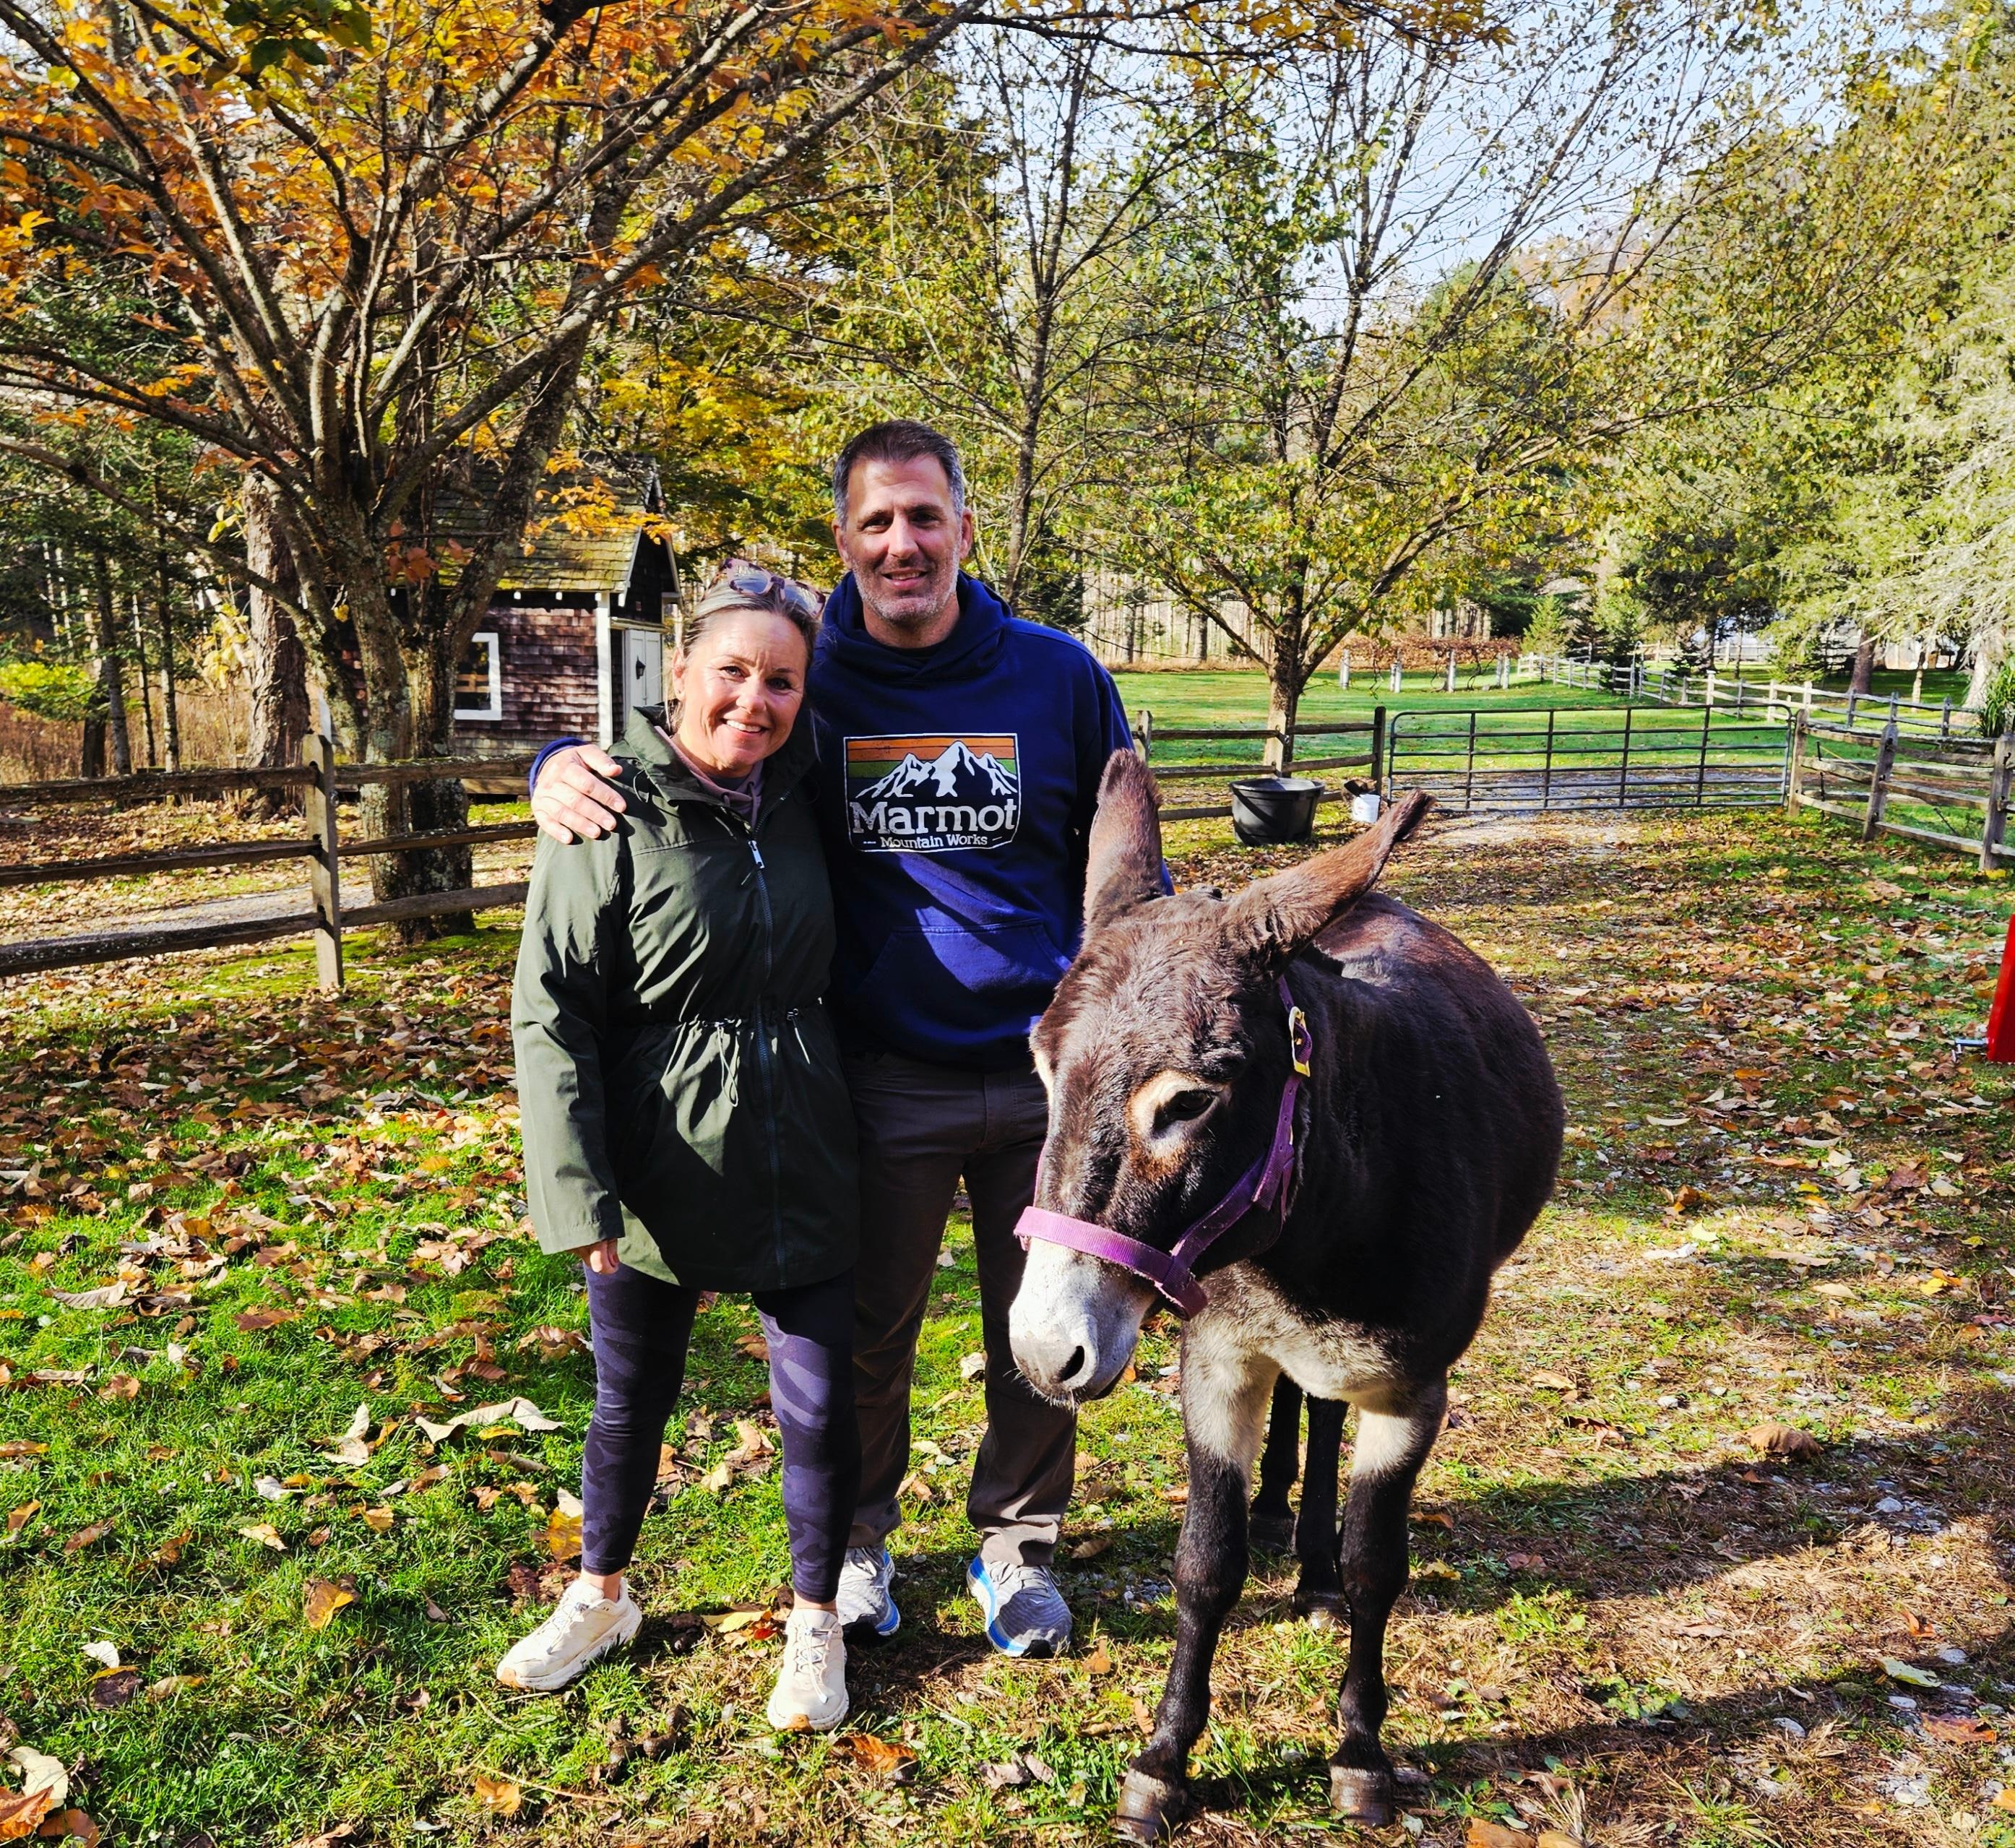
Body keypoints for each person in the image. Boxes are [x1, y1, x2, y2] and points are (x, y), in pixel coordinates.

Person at [529, 422, 1136, 1659]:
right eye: (875, 522)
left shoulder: (1059, 674)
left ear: (965, 528)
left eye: (924, 517)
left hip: (1046, 1077)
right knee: (864, 1338)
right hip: (877, 1074)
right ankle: (858, 1544)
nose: (901, 543)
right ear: (844, 539)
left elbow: (1124, 856)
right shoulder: (817, 672)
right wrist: (554, 762)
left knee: (1039, 1329)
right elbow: (696, 747)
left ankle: (1018, 1545)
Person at [502, 563, 863, 1731]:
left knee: (819, 1407)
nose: (754, 701)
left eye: (781, 681)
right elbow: (551, 1010)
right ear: (679, 670)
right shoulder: (606, 804)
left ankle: (816, 1618)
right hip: (656, 1158)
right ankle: (601, 1593)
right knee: (631, 1399)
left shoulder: (809, 788)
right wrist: (577, 1192)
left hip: (805, 1142)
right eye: (732, 672)